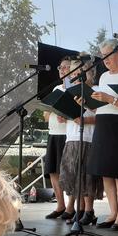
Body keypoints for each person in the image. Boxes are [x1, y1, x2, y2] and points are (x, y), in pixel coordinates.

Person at [85, 39, 118, 230]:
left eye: (109, 54)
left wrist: (110, 99)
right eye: (103, 56)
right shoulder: (104, 76)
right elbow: (101, 103)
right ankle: (113, 212)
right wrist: (89, 103)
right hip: (103, 122)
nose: (106, 59)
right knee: (106, 171)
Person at [59, 56, 103, 226]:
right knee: (73, 176)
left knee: (86, 177)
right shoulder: (71, 91)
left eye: (80, 73)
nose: (76, 76)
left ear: (90, 73)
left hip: (89, 137)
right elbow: (69, 114)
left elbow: (102, 116)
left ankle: (89, 210)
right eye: (74, 73)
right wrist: (65, 115)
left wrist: (85, 120)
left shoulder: (96, 89)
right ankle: (80, 210)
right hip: (72, 136)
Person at [43, 56, 70, 219]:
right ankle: (60, 205)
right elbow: (46, 116)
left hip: (67, 134)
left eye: (66, 67)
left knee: (68, 172)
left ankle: (72, 207)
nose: (62, 70)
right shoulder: (56, 89)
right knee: (53, 171)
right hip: (53, 133)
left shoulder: (75, 88)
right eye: (60, 68)